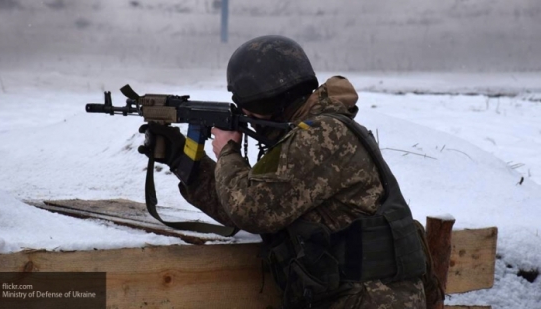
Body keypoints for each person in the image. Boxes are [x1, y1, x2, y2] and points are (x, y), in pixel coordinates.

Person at [139, 35, 429, 308]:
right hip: (358, 296)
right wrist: (182, 159)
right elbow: (248, 205)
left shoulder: (322, 136)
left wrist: (227, 152)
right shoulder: (309, 133)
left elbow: (250, 210)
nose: (248, 117)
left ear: (267, 98)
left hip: (372, 299)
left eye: (249, 108)